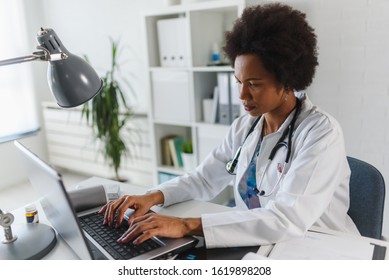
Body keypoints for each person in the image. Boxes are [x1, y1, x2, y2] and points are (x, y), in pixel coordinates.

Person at [100, 3, 360, 248]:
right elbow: (203, 178)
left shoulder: (321, 134)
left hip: (316, 248)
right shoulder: (245, 127)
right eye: (239, 81)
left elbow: (286, 219)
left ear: (287, 80)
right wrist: (153, 196)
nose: (242, 95)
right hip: (258, 241)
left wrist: (185, 225)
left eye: (254, 84)